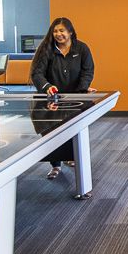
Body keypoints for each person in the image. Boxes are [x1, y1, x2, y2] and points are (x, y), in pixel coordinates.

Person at [29, 17, 95, 179]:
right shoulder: (46, 49)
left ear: (70, 32)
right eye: (55, 31)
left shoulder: (82, 48)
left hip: (75, 98)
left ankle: (70, 157)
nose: (58, 34)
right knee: (51, 131)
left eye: (62, 31)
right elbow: (37, 73)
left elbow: (88, 71)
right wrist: (47, 87)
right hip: (51, 99)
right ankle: (55, 165)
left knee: (73, 129)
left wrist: (83, 88)